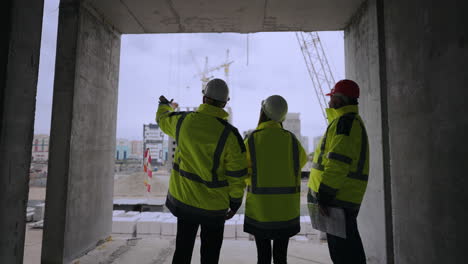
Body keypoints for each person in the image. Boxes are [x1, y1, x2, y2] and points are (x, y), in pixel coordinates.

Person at [156, 78, 248, 264]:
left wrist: (165, 105)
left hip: (185, 201)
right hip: (214, 207)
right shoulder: (230, 135)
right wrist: (236, 201)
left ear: (204, 98)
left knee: (182, 250)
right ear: (224, 103)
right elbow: (237, 174)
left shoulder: (183, 122)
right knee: (210, 255)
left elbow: (163, 119)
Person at [307, 79, 369, 264]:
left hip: (337, 199)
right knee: (346, 250)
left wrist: (324, 195)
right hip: (340, 197)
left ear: (339, 100)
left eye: (332, 96)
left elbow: (337, 163)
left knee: (344, 254)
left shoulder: (345, 124)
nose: (329, 100)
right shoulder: (346, 122)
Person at [244, 95, 308, 264]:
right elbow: (301, 161)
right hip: (286, 211)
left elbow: (241, 170)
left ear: (263, 112)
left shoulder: (252, 140)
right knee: (281, 257)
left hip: (261, 211)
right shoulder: (292, 141)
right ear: (283, 117)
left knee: (263, 257)